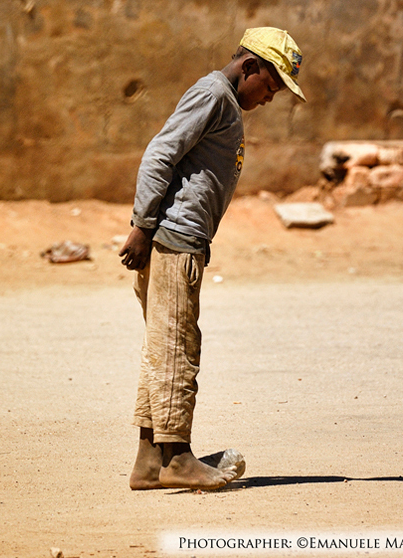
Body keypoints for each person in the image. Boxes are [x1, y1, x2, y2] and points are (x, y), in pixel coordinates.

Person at [118, 27, 306, 490]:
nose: (269, 98)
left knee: (163, 350)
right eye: (271, 85)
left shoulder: (221, 99)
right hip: (174, 241)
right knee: (179, 349)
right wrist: (143, 226)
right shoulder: (214, 95)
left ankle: (149, 461)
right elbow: (160, 153)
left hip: (179, 240)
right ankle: (178, 458)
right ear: (249, 67)